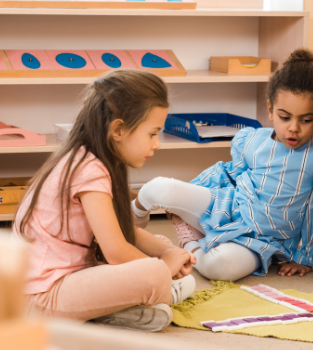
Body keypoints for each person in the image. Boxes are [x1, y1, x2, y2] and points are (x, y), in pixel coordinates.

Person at [132, 49, 313, 281]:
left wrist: (307, 258)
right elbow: (226, 173)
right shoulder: (252, 140)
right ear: (271, 109)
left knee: (220, 267)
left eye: (306, 120)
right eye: (285, 117)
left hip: (264, 240)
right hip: (228, 207)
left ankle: (188, 243)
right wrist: (189, 193)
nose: (293, 128)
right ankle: (127, 223)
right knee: (158, 188)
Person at [14, 69, 196, 332]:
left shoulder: (90, 159)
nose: (157, 144)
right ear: (119, 130)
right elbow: (115, 251)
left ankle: (114, 310)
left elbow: (121, 233)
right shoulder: (89, 169)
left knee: (161, 246)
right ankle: (157, 294)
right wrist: (164, 267)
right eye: (152, 133)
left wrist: (166, 253)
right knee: (155, 273)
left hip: (65, 280)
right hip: (42, 297)